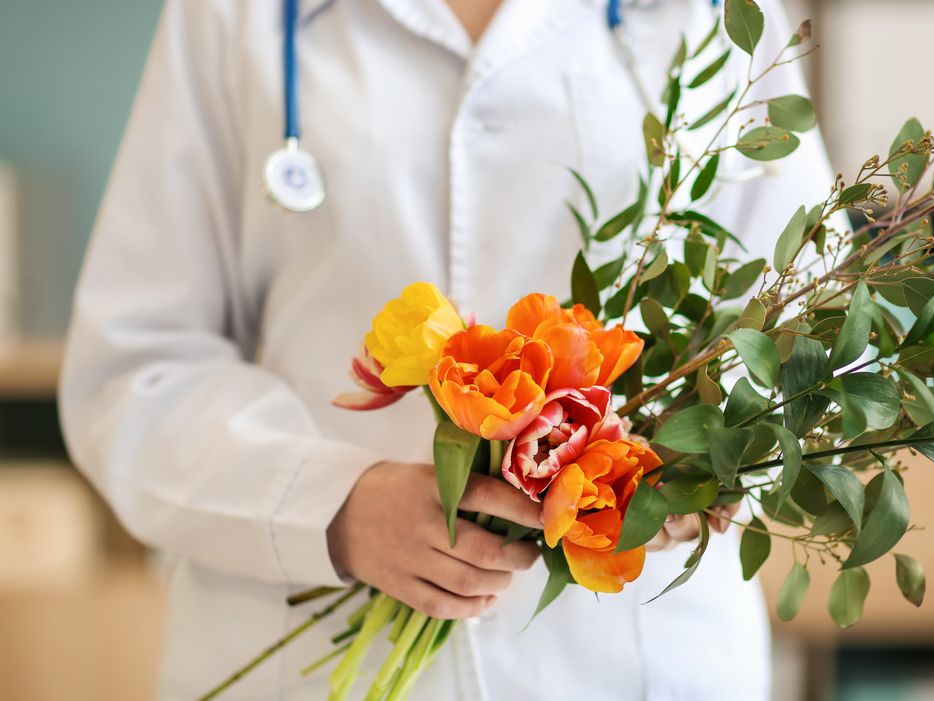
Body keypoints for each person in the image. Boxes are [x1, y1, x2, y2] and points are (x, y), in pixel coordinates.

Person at [59, 0, 842, 699]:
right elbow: (138, 366)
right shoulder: (236, 16)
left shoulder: (710, 14)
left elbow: (816, 328)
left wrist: (701, 458)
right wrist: (330, 503)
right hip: (303, 651)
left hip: (628, 656)